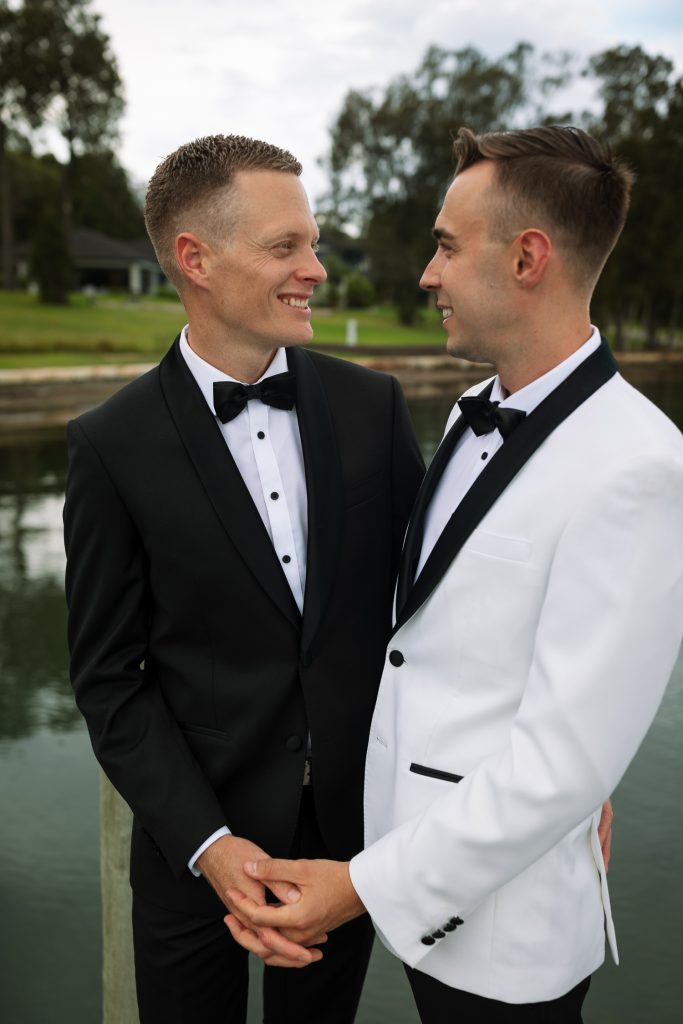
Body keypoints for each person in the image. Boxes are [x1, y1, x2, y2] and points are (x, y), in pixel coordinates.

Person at [224, 125, 683, 1022]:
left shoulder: (639, 464)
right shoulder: (475, 410)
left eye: (444, 245)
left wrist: (359, 886)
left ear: (527, 257)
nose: (427, 274)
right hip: (423, 891)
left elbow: (559, 764)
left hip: (507, 934)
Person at [63, 133, 424, 1024]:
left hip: (345, 847)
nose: (316, 269)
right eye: (285, 247)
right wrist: (210, 845)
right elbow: (110, 678)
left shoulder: (371, 408)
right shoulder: (110, 445)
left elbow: (438, 616)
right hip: (194, 846)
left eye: (313, 242)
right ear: (196, 259)